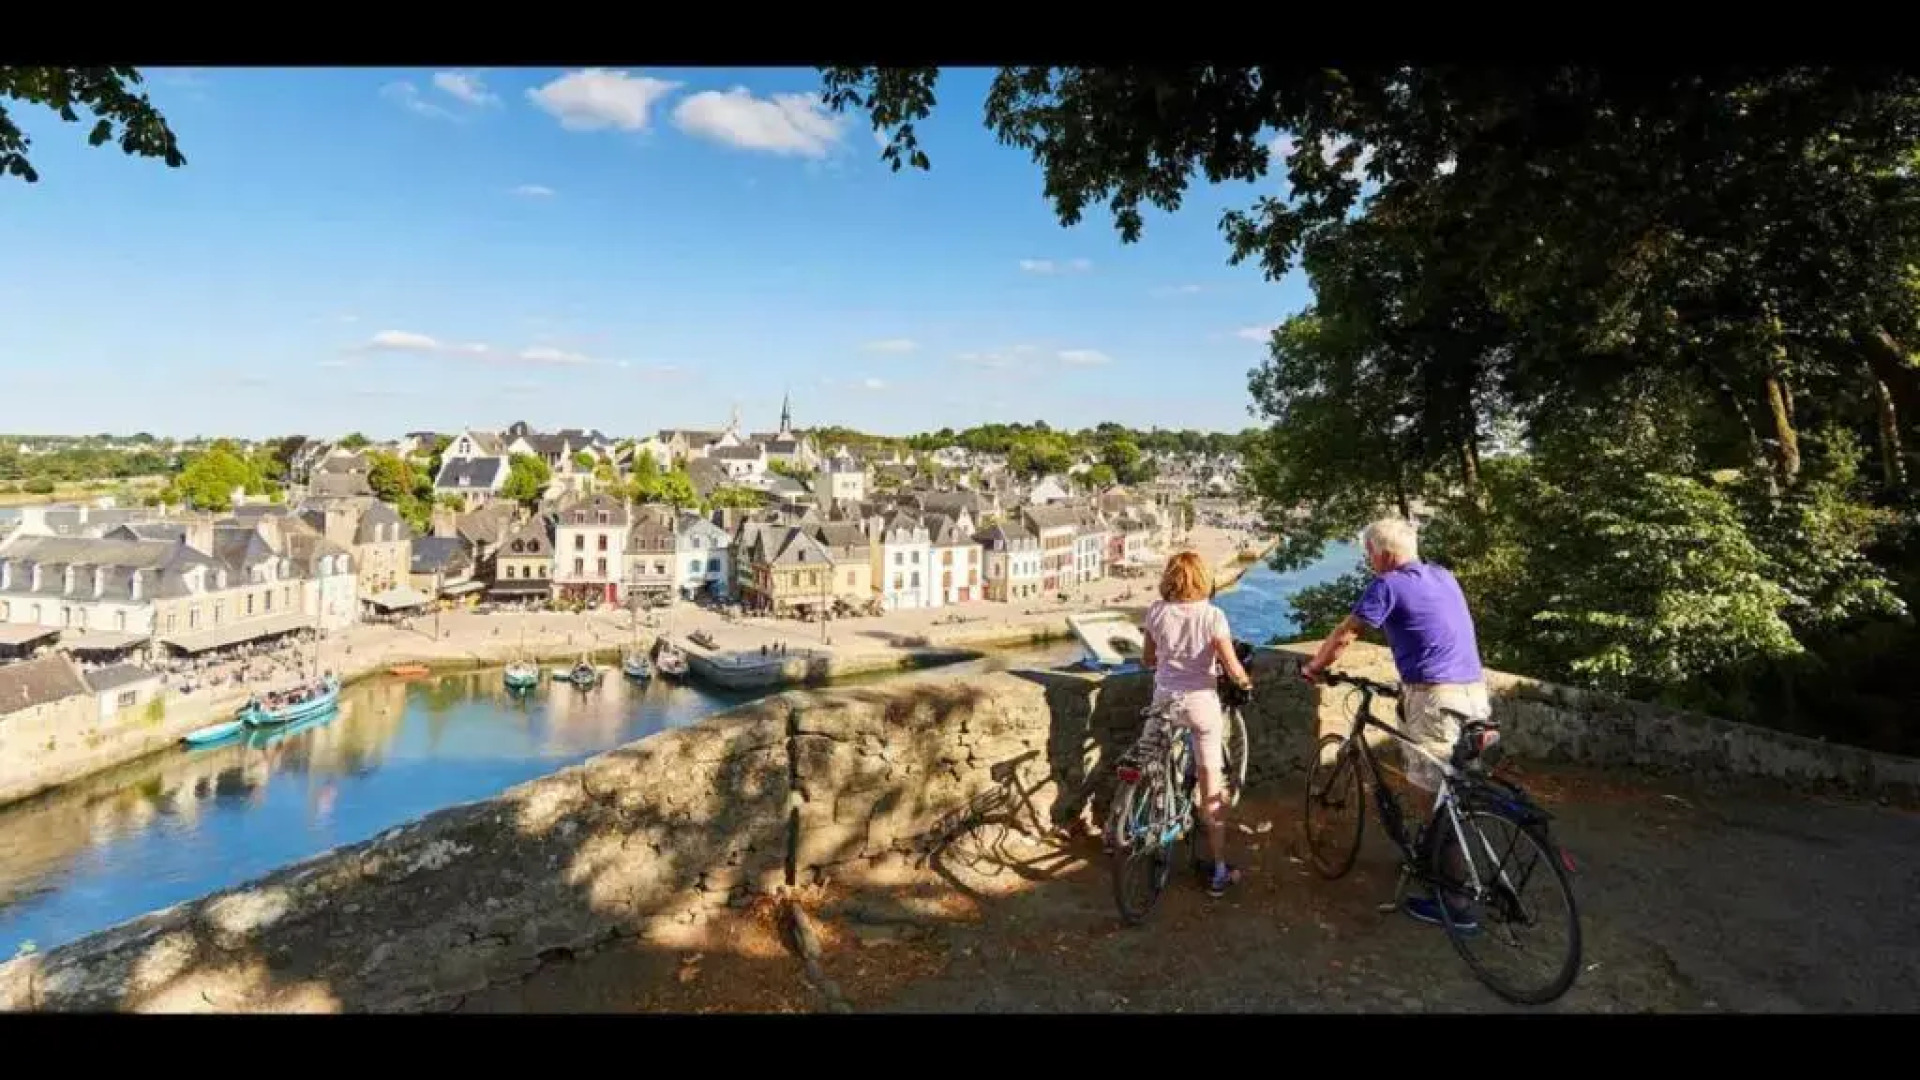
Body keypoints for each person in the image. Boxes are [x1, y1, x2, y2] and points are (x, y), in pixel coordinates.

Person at [1300, 516, 1490, 931]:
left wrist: (1315, 667)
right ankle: (1442, 862)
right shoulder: (1444, 576)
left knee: (1433, 795)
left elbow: (1346, 635)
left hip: (1435, 698)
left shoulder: (1388, 584)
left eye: (1369, 553)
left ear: (1383, 553)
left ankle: (1456, 902)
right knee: (1455, 789)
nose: (1368, 561)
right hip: (1474, 693)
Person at [1140, 550, 1255, 898]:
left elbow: (1147, 659)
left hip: (1164, 701)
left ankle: (1148, 824)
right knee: (1212, 793)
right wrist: (1246, 683)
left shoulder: (1156, 611)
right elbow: (1232, 667)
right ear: (1204, 579)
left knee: (1151, 766)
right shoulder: (1212, 616)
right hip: (1201, 704)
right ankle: (1218, 870)